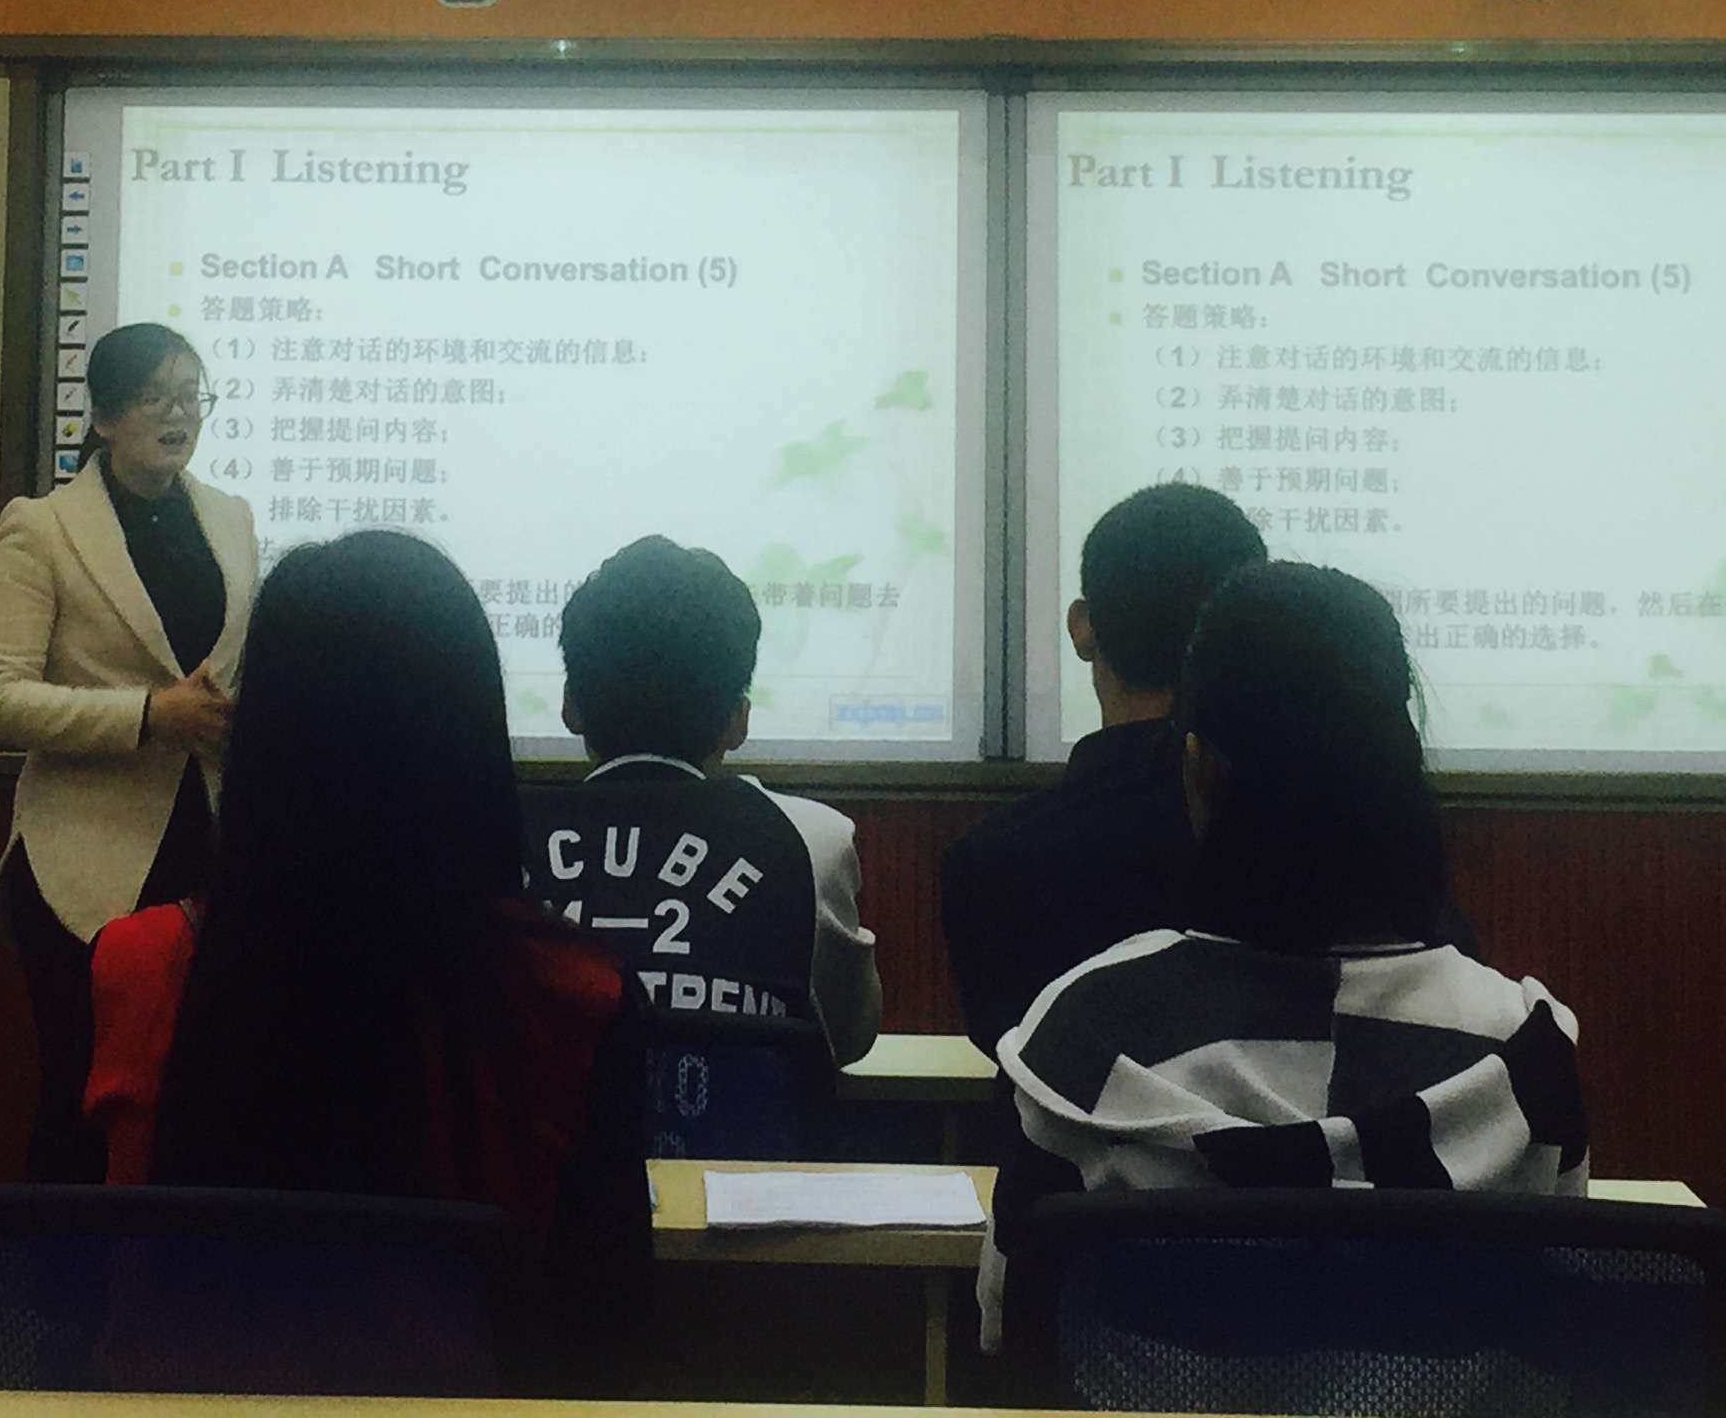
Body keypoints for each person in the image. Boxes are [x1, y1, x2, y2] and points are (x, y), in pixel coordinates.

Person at [979, 562, 1587, 1340]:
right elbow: (1554, 1335)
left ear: (1199, 769)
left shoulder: (1082, 1036)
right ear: (1398, 773)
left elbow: (1006, 1331)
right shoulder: (1527, 1044)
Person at [84, 530, 651, 1359]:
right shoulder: (575, 995)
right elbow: (609, 1334)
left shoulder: (136, 964)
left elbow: (89, 1281)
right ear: (472, 738)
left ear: (259, 736)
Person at [0, 322, 254, 1181]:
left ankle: (174, 1272)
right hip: (84, 870)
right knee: (82, 1100)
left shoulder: (231, 520)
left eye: (191, 396)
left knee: (200, 1105)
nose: (178, 414)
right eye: (154, 397)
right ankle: (60, 1272)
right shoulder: (44, 529)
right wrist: (147, 715)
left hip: (208, 850)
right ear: (102, 416)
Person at [522, 535, 882, 1066]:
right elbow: (846, 1038)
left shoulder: (497, 836)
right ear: (739, 720)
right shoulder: (812, 840)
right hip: (739, 1125)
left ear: (570, 707)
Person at [939, 483, 1265, 1057]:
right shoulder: (1314, 851)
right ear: (1250, 634)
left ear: (1082, 627)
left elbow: (1010, 1049)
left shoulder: (988, 862)